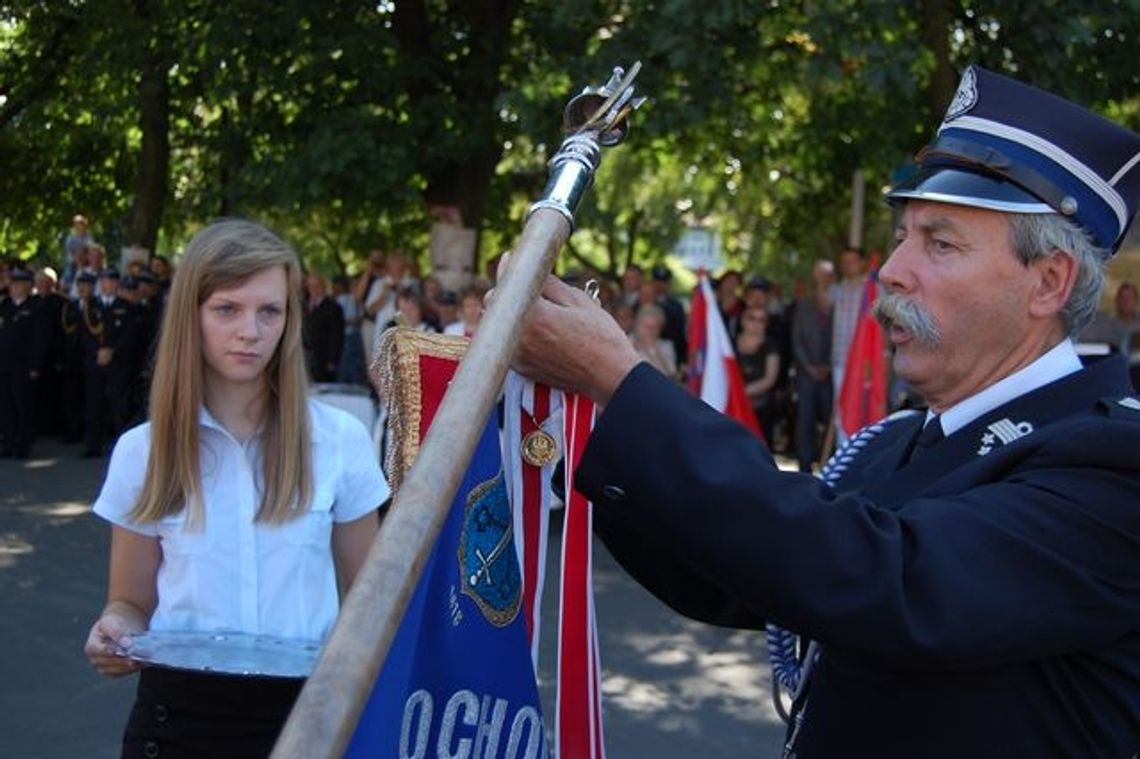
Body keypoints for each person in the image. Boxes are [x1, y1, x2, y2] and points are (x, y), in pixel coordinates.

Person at [506, 65, 1140, 757]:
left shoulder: (1113, 460)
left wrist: (619, 378)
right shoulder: (896, 441)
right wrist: (582, 414)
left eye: (941, 242)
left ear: (1049, 281)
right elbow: (738, 575)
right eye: (904, 235)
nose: (892, 269)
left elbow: (884, 581)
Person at [83, 219, 389, 758]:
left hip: (308, 719)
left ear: (289, 320)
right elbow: (130, 601)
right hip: (178, 721)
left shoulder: (339, 440)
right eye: (228, 309)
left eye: (269, 310)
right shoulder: (143, 451)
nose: (251, 330)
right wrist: (114, 628)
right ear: (191, 318)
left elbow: (370, 603)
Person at [792, 260, 835, 471]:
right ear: (815, 275)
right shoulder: (804, 304)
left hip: (831, 373)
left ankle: (828, 465)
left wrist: (829, 365)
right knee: (805, 421)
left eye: (828, 274)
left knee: (831, 421)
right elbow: (796, 339)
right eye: (821, 274)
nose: (824, 278)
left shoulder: (839, 302)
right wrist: (808, 366)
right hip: (806, 373)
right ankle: (804, 466)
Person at [734, 304, 780, 442]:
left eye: (761, 320)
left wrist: (743, 392)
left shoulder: (771, 346)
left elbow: (769, 379)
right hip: (732, 406)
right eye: (751, 318)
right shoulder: (729, 343)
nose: (756, 323)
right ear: (742, 320)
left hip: (759, 409)